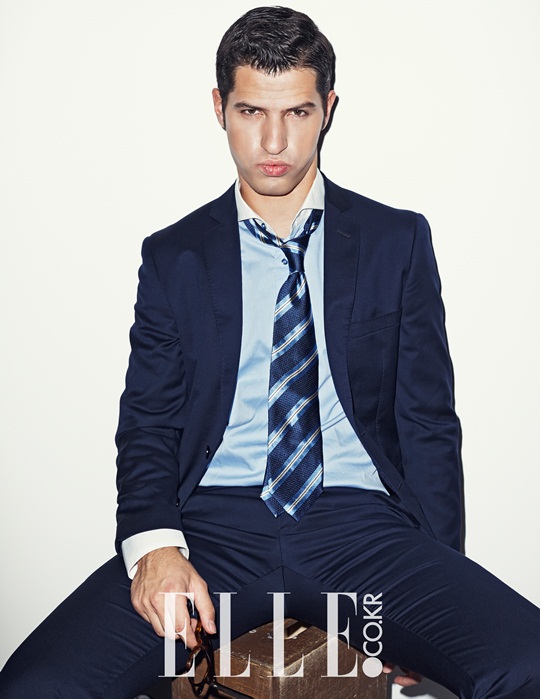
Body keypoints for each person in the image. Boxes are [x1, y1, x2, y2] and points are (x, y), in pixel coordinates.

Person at [1, 6, 540, 699]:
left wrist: (438, 581)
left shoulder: (396, 242)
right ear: (219, 107)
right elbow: (148, 422)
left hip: (361, 527)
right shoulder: (174, 257)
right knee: (38, 685)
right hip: (211, 527)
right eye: (252, 111)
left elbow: (427, 422)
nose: (275, 140)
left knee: (528, 661)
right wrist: (155, 545)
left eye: (298, 112)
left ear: (328, 109)